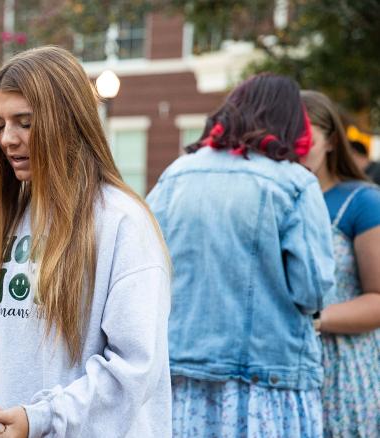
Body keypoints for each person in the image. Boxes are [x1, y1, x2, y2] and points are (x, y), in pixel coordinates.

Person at [0, 46, 172, 437]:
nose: (7, 139)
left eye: (25, 123)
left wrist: (40, 418)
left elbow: (134, 367)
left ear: (67, 122)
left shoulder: (122, 222)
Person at [146, 74, 335, 437]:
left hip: (181, 374)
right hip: (267, 377)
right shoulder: (295, 183)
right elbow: (311, 289)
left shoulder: (176, 174)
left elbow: (149, 266)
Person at [301, 90, 380, 437]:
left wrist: (315, 321)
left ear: (331, 140)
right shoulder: (273, 197)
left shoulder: (362, 201)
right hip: (281, 365)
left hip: (344, 369)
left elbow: (378, 299)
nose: (294, 148)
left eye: (305, 138)